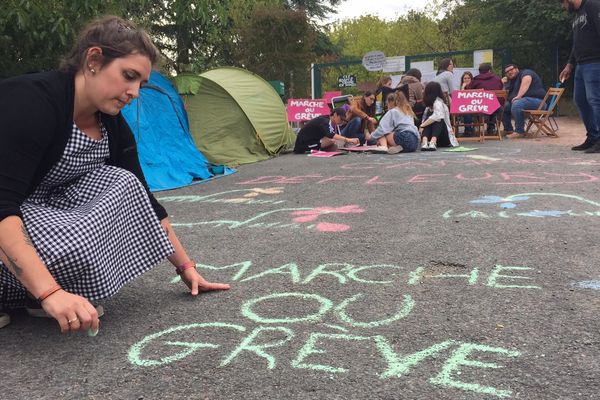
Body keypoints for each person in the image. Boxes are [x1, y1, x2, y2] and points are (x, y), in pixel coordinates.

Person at [0, 16, 230, 333]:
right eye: (128, 76)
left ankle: (28, 291)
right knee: (67, 239)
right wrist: (51, 293)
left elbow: (146, 202)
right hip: (9, 215)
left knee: (123, 183)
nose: (134, 92)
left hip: (34, 210)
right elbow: (2, 206)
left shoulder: (110, 123)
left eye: (141, 84)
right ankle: (35, 290)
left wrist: (186, 268)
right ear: (93, 60)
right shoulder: (32, 102)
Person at [559, 0, 600, 152]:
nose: (563, 7)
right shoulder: (576, 16)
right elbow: (576, 43)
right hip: (581, 65)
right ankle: (593, 137)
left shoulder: (592, 5)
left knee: (596, 100)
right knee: (580, 100)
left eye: (563, 3)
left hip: (595, 62)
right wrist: (570, 64)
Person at [502, 64, 546, 138]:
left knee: (517, 104)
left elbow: (527, 79)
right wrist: (502, 83)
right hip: (524, 102)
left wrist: (519, 96)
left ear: (517, 69)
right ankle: (508, 129)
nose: (509, 72)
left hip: (538, 102)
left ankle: (519, 131)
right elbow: (505, 94)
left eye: (511, 69)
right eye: (507, 72)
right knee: (504, 106)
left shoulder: (525, 73)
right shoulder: (511, 81)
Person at [293, 108, 359, 153]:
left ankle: (341, 147)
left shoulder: (326, 120)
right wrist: (348, 140)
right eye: (341, 119)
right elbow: (331, 135)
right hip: (303, 145)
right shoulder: (325, 121)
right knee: (332, 140)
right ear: (335, 115)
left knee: (333, 143)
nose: (342, 121)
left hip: (309, 141)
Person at [419, 81, 459, 151]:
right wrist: (423, 125)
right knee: (430, 119)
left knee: (438, 119)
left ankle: (432, 141)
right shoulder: (428, 106)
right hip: (432, 135)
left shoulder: (439, 102)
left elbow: (437, 116)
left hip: (444, 138)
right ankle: (425, 142)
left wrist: (422, 125)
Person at [470, 63, 504, 134]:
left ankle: (479, 125)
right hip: (497, 108)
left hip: (480, 107)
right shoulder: (497, 79)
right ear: (489, 70)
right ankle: (491, 127)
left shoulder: (475, 80)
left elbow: (470, 93)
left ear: (479, 71)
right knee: (493, 103)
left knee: (487, 103)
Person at [459, 71, 475, 137]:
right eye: (465, 78)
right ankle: (468, 130)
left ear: (471, 79)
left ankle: (468, 130)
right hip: (463, 107)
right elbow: (460, 98)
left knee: (468, 112)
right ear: (462, 80)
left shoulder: (474, 87)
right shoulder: (461, 88)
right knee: (466, 112)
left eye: (468, 78)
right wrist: (463, 88)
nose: (467, 80)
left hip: (474, 107)